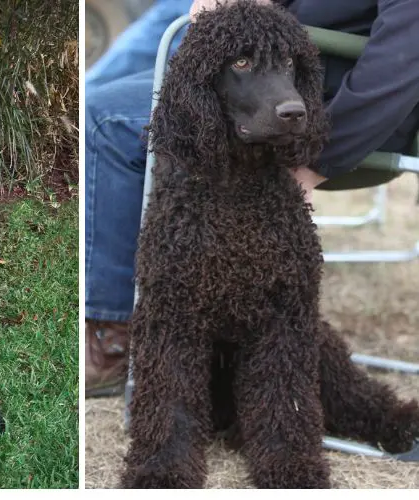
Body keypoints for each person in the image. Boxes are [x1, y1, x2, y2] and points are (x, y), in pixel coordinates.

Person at [85, 0, 419, 397]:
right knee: (130, 87)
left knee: (105, 120)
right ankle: (160, 333)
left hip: (324, 104)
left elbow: (405, 49)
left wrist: (316, 161)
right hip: (261, 76)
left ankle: (114, 341)